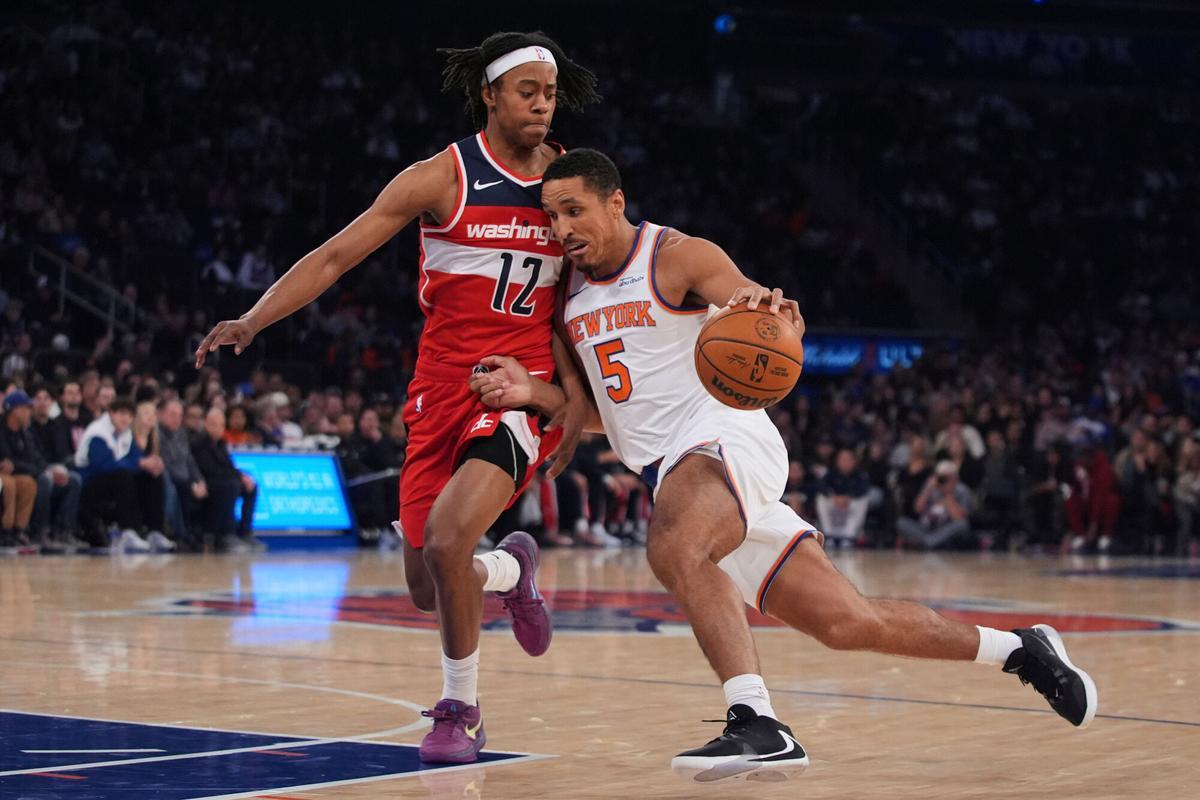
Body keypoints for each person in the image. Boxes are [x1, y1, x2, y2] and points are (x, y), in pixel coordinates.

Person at [471, 149, 1097, 782]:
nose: (562, 228)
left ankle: (757, 722)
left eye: (573, 210)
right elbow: (610, 413)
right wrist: (534, 393)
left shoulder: (678, 256)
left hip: (724, 436)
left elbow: (751, 306)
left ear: (615, 202)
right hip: (679, 473)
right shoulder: (569, 297)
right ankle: (1020, 650)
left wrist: (773, 314)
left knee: (675, 547)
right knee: (846, 623)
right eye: (552, 216)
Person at [193, 32, 600, 763]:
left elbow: (579, 304)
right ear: (489, 95)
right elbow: (335, 256)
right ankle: (512, 571)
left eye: (549, 94)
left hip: (513, 390)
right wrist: (254, 319)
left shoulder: (567, 186)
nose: (543, 105)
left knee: (447, 541)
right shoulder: (441, 177)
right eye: (527, 93)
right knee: (427, 585)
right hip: (439, 390)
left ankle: (460, 711)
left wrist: (562, 399)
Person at [74, 397, 168, 553]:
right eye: (121, 414)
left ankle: (155, 531)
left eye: (129, 415)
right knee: (123, 476)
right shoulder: (98, 433)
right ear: (111, 413)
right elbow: (104, 465)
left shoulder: (126, 433)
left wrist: (151, 464)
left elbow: (135, 458)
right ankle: (128, 531)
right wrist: (140, 463)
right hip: (89, 484)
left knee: (152, 477)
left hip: (114, 481)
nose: (125, 419)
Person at [0, 389, 82, 548]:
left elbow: (35, 457)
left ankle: (63, 531)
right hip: (14, 474)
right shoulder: (2, 430)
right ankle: (35, 531)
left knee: (72, 480)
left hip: (28, 472)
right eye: (27, 408)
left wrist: (50, 470)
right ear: (15, 410)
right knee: (39, 481)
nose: (30, 412)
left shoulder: (25, 431)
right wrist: (43, 472)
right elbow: (8, 462)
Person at [191, 407, 259, 552]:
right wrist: (237, 477)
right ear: (206, 424)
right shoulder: (199, 443)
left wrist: (243, 476)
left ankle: (244, 532)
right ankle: (226, 534)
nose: (218, 428)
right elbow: (210, 470)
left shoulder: (221, 443)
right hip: (206, 483)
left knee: (251, 486)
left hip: (223, 481)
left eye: (221, 425)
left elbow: (229, 466)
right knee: (231, 486)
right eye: (214, 424)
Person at [158, 398, 207, 546]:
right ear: (160, 414)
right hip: (171, 477)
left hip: (184, 477)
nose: (176, 419)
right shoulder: (157, 435)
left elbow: (190, 461)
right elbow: (166, 464)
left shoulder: (181, 433)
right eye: (172, 414)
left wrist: (200, 481)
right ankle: (180, 532)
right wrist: (192, 483)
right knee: (182, 486)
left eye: (179, 415)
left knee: (213, 486)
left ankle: (206, 534)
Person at [897, 460, 976, 549]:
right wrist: (928, 489)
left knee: (963, 525)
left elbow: (959, 517)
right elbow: (917, 509)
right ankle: (931, 541)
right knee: (901, 522)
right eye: (940, 477)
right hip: (925, 528)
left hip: (946, 528)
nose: (942, 480)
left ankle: (927, 542)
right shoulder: (931, 486)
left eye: (946, 477)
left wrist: (948, 494)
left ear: (954, 477)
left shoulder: (962, 490)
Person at [815, 448, 871, 547]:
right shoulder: (831, 473)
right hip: (834, 503)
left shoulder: (860, 474)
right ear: (837, 461)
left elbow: (863, 489)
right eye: (842, 459)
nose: (845, 463)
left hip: (851, 504)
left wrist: (848, 497)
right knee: (821, 498)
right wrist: (833, 496)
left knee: (863, 500)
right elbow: (821, 486)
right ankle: (829, 535)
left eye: (848, 459)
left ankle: (849, 536)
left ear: (854, 461)